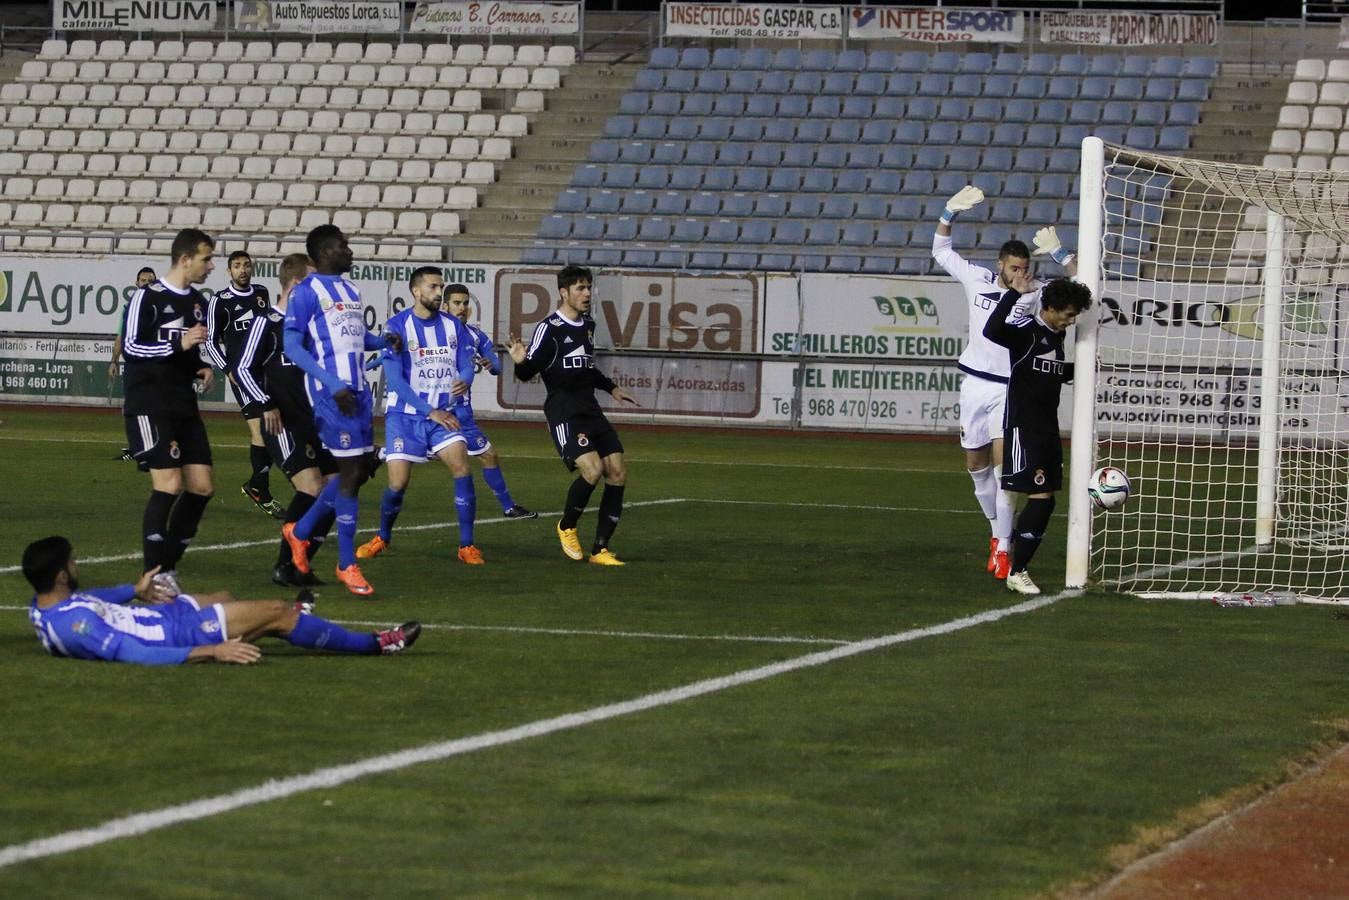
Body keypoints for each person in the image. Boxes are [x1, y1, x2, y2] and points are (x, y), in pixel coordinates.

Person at [22, 536, 420, 665]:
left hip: (161, 615)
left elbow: (90, 598)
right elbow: (133, 653)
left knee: (226, 598)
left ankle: (295, 623)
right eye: (71, 563)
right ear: (60, 575)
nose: (76, 565)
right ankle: (377, 644)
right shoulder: (75, 626)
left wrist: (134, 590)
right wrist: (214, 650)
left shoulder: (47, 606)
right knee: (278, 614)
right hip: (174, 634)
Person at [279, 225, 400, 596]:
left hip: (358, 391)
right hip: (333, 395)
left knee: (360, 471)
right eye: (343, 246)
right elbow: (292, 347)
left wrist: (382, 340)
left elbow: (355, 335)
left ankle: (299, 533)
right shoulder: (306, 291)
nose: (349, 251)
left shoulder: (349, 289)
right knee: (349, 475)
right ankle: (347, 563)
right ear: (325, 251)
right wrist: (331, 383)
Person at [932, 185, 1043, 582]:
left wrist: (1064, 256)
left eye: (1024, 268)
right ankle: (999, 534)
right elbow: (941, 253)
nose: (1019, 274)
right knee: (976, 468)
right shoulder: (978, 280)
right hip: (973, 386)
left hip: (1007, 390)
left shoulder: (1034, 295)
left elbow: (1083, 289)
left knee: (1003, 469)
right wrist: (949, 213)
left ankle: (1002, 546)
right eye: (1013, 268)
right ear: (1000, 265)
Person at [507, 265, 639, 566]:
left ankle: (600, 550)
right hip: (564, 411)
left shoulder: (588, 325)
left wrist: (612, 388)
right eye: (580, 288)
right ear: (563, 292)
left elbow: (586, 367)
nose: (587, 293)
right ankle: (567, 526)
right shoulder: (549, 328)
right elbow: (529, 371)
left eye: (589, 287)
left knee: (617, 471)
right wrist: (519, 361)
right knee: (592, 471)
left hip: (590, 408)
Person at [358, 268, 485, 566]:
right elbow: (397, 382)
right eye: (433, 287)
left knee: (461, 467)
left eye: (441, 286)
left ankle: (467, 545)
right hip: (404, 417)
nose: (439, 292)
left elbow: (466, 362)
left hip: (444, 416)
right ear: (416, 291)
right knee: (398, 484)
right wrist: (430, 411)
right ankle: (383, 537)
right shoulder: (396, 327)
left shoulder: (454, 326)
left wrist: (465, 378)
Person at [982, 274, 1093, 595]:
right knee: (1040, 498)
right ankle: (1016, 570)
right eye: (1069, 314)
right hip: (1023, 428)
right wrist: (1013, 295)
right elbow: (992, 331)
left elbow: (1051, 374)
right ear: (1052, 307)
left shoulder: (1056, 339)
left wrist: (1084, 369)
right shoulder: (1028, 332)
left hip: (1047, 429)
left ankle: (1014, 561)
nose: (1072, 321)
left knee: (1045, 501)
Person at [235, 252, 339, 587]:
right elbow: (241, 368)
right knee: (310, 487)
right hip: (282, 422)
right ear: (295, 284)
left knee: (337, 490)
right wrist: (265, 403)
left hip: (316, 421)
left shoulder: (310, 327)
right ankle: (284, 566)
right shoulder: (266, 323)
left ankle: (300, 564)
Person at [121, 229, 216, 594]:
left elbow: (186, 353)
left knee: (203, 487)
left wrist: (200, 366)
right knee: (170, 484)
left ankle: (168, 569)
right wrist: (178, 341)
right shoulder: (147, 297)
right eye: (207, 258)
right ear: (185, 258)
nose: (211, 266)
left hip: (182, 404)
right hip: (150, 403)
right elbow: (132, 346)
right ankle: (153, 573)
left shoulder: (196, 301)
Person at [443, 283, 537, 520]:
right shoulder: (432, 331)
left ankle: (508, 507)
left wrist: (491, 364)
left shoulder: (476, 336)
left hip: (462, 414)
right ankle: (375, 455)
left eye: (465, 303)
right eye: (456, 303)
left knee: (488, 455)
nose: (462, 308)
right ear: (445, 305)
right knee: (405, 461)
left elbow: (496, 365)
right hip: (433, 410)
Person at [205, 250, 282, 518]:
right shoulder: (220, 301)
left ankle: (256, 485)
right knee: (262, 432)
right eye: (237, 266)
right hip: (242, 374)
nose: (243, 270)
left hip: (266, 371)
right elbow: (211, 340)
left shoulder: (261, 293)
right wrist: (227, 370)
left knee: (276, 429)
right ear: (229, 272)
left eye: (247, 265)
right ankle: (260, 489)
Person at [109, 266, 157, 379]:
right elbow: (121, 336)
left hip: (157, 366)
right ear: (137, 283)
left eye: (150, 281)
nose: (146, 284)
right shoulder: (128, 308)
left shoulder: (163, 306)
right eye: (143, 280)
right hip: (135, 365)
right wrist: (113, 362)